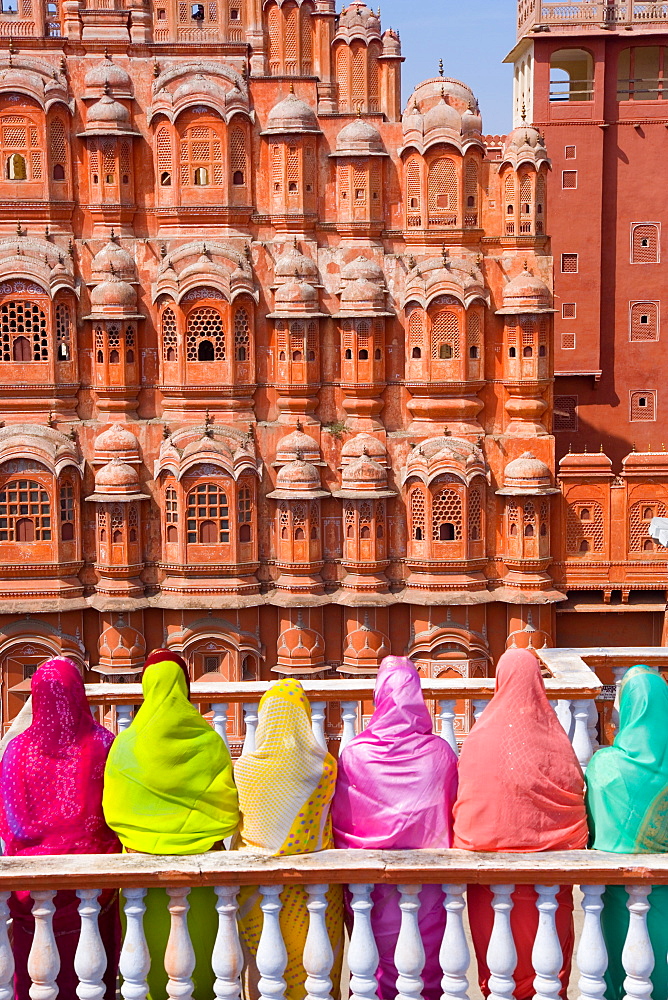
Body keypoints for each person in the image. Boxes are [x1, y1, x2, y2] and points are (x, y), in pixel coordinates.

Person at [453, 647, 588, 1000]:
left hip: (490, 883)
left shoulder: (480, 740)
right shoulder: (556, 742)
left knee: (499, 973)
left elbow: (467, 818)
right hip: (549, 883)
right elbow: (575, 806)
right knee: (548, 969)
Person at [103, 650, 239, 1000]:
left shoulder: (125, 746)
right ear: (186, 688)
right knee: (206, 972)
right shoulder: (208, 742)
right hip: (203, 881)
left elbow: (112, 810)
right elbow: (228, 808)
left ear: (146, 688)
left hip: (141, 882)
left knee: (144, 972)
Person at [331, 655, 458, 1000]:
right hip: (430, 892)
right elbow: (453, 817)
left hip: (371, 892)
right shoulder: (441, 754)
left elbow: (340, 826)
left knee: (373, 971)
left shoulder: (355, 756)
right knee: (427, 971)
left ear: (378, 697)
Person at [0, 657, 121, 1000]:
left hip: (30, 888)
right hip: (91, 887)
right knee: (91, 980)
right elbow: (115, 814)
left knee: (36, 978)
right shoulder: (102, 745)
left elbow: (7, 823)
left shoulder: (16, 751)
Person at [234, 678, 344, 1000]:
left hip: (258, 894)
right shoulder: (324, 769)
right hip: (315, 896)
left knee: (265, 973)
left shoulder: (245, 770)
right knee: (317, 976)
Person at [585, 665, 668, 1000]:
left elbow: (589, 830)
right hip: (661, 890)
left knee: (615, 968)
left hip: (614, 890)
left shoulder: (603, 766)